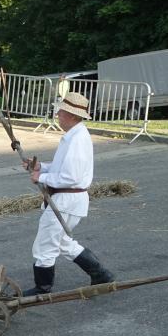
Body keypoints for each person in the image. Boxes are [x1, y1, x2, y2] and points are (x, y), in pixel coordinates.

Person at [21, 92, 115, 295]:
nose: (58, 115)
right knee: (62, 242)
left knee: (45, 244)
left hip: (67, 200)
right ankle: (100, 274)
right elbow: (62, 168)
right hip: (67, 200)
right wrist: (40, 167)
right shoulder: (73, 135)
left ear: (72, 115)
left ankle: (42, 288)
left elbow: (71, 176)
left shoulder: (78, 139)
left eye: (61, 112)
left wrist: (41, 177)